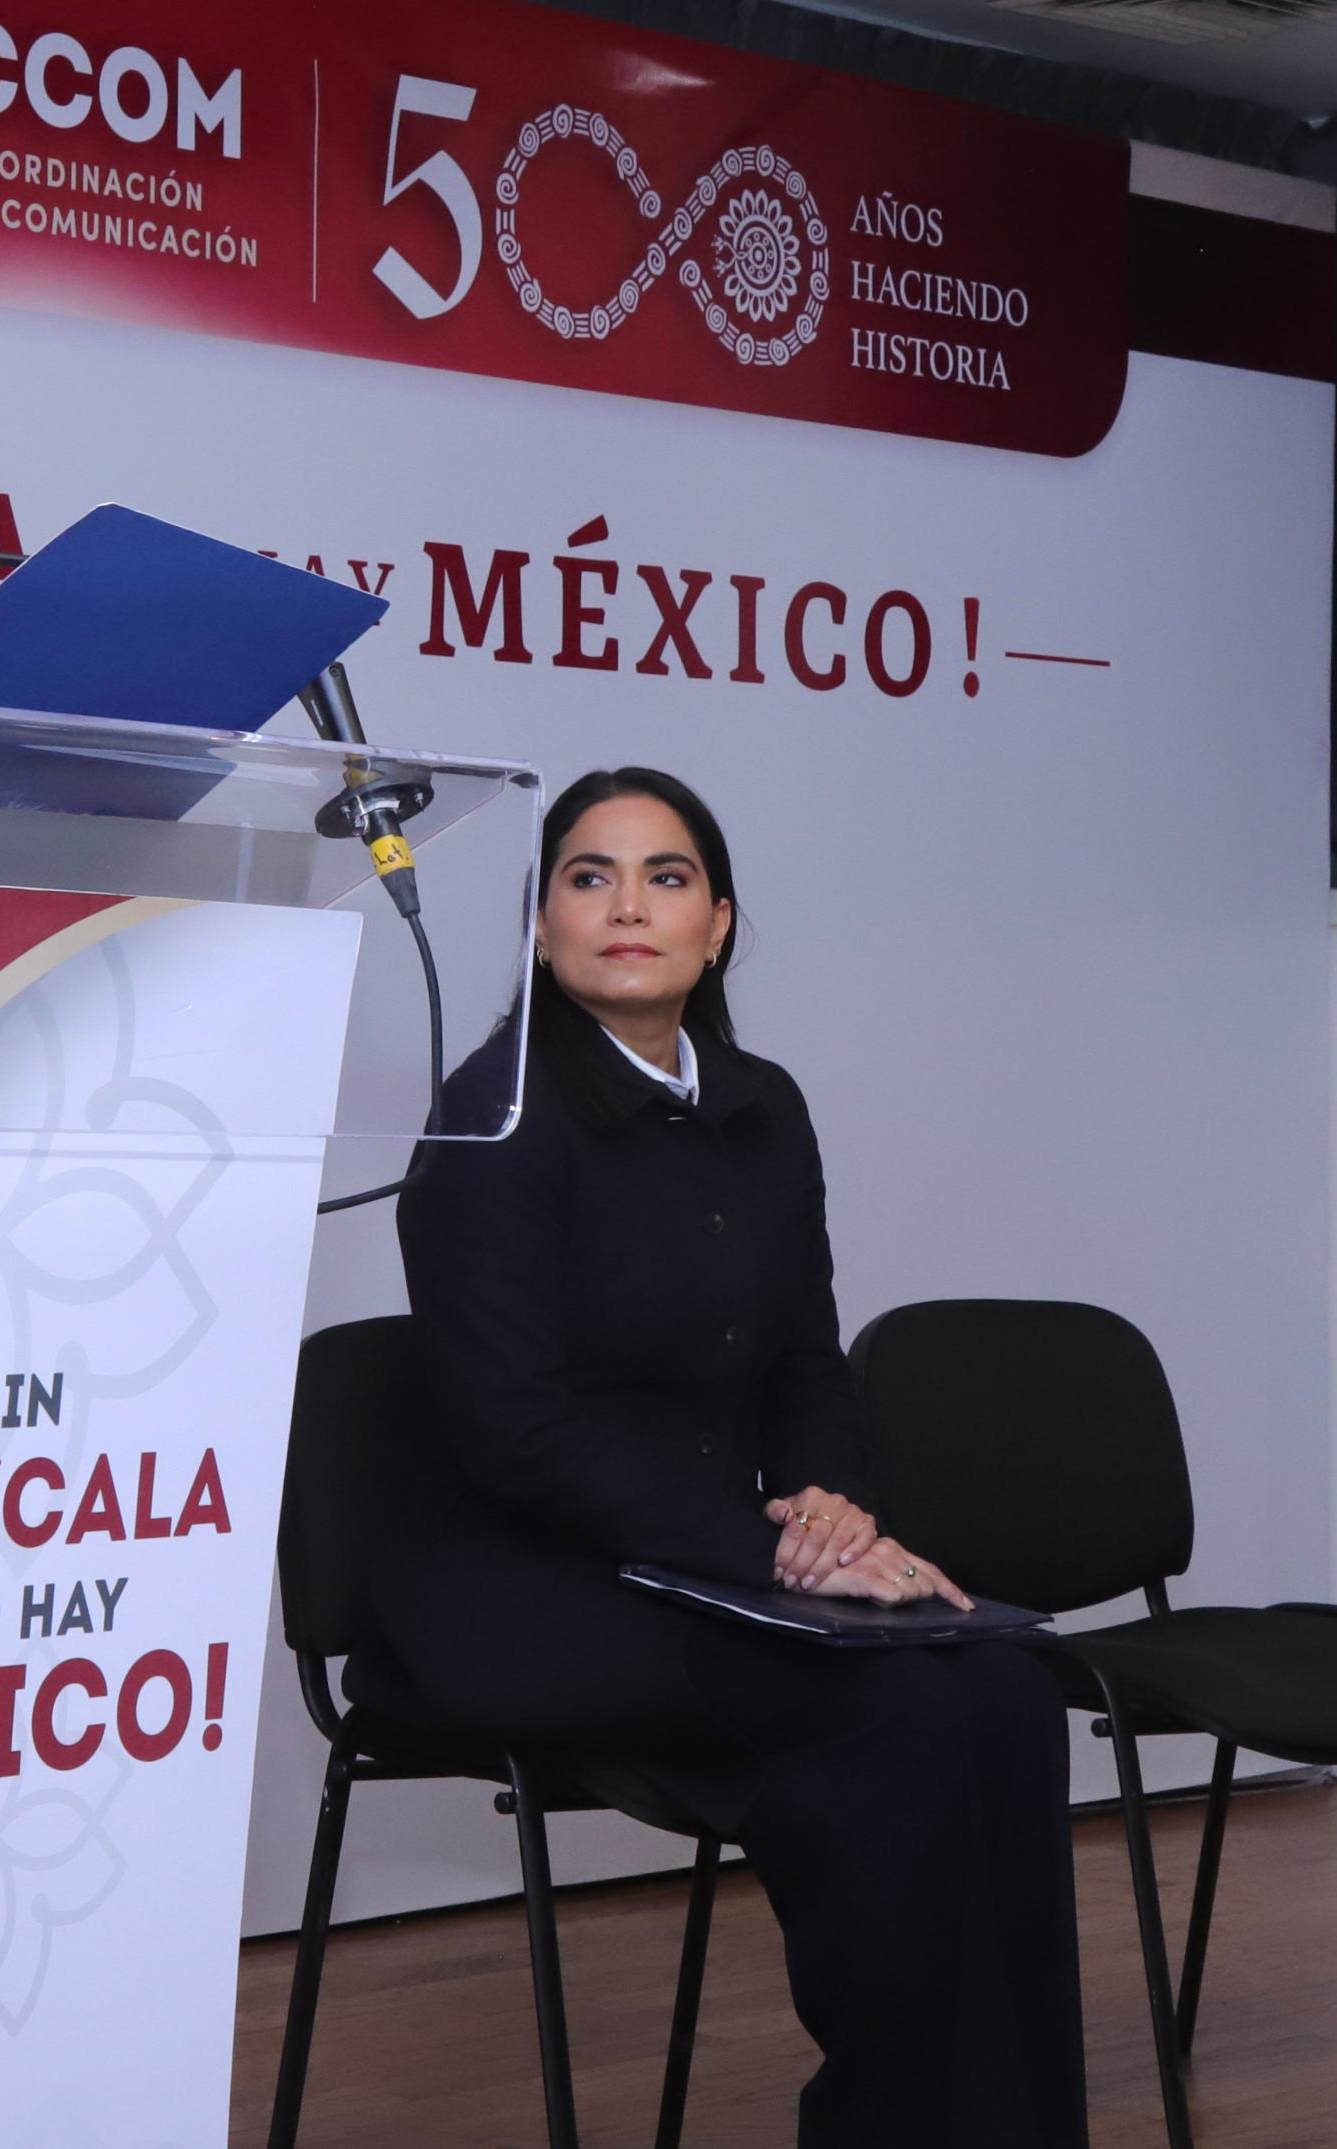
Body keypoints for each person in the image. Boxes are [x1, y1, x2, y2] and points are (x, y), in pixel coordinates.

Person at [377, 767, 1085, 2149]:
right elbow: (517, 1436)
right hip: (526, 1584)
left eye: (666, 877)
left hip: (704, 1565)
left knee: (1005, 1691)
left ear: (716, 927)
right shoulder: (494, 1120)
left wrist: (829, 1506)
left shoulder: (763, 1105)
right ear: (539, 924)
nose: (626, 906)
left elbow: (806, 1363)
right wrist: (770, 1552)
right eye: (588, 876)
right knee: (892, 1720)